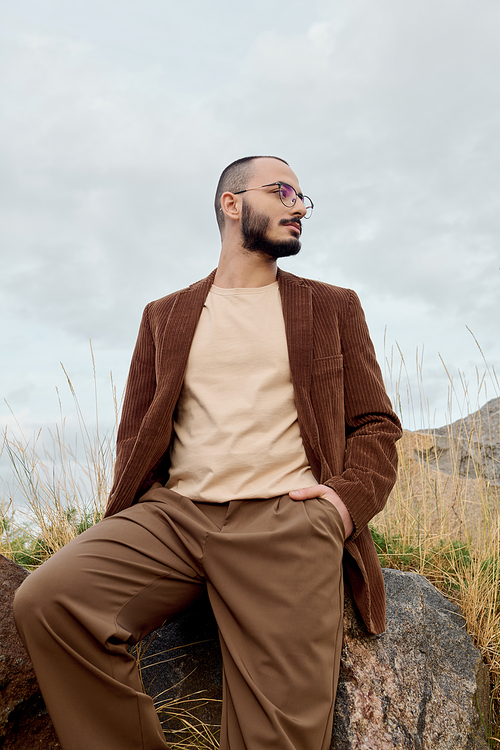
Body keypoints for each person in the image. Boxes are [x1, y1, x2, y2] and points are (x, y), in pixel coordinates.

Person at [14, 155, 402, 750]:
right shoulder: (164, 316)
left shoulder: (332, 306)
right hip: (175, 517)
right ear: (231, 203)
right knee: (51, 601)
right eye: (284, 191)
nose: (300, 206)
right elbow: (135, 433)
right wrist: (136, 510)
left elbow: (375, 424)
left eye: (304, 198)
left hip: (285, 522)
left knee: (276, 739)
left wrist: (340, 509)